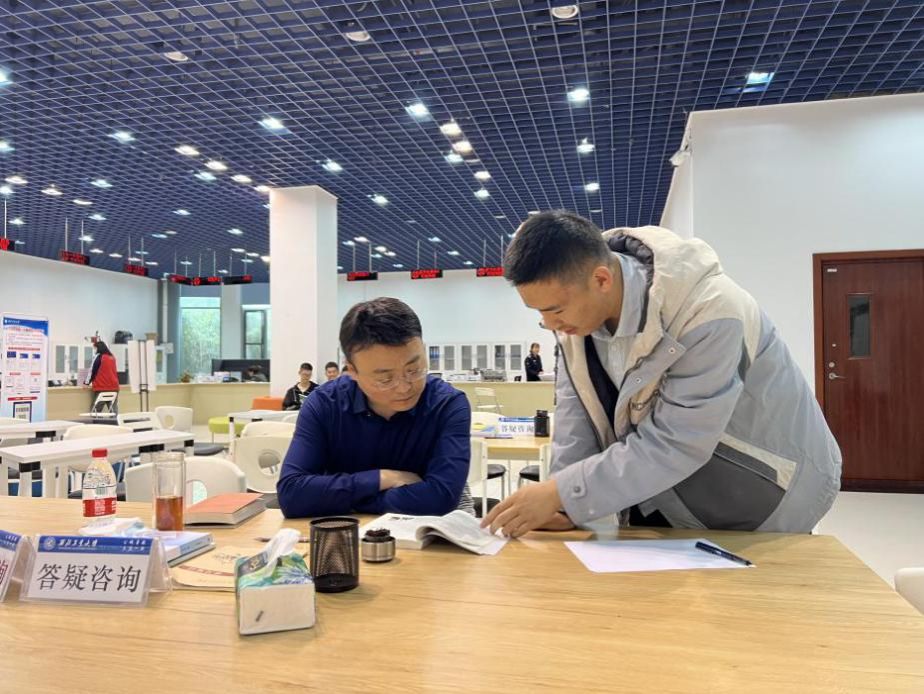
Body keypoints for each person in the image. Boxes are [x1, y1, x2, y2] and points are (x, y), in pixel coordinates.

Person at [484, 211, 841, 537]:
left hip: (764, 491)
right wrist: (564, 505)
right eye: (539, 313)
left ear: (602, 279)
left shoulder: (711, 311)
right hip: (665, 493)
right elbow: (575, 422)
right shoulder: (574, 326)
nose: (549, 324)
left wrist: (563, 493)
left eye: (555, 310)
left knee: (755, 587)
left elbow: (678, 441)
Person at [277, 298, 473, 518]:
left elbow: (440, 499)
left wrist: (348, 498)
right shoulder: (324, 405)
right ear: (352, 371)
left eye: (414, 370)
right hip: (347, 531)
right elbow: (292, 494)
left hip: (427, 531)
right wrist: (383, 478)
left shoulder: (447, 405)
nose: (404, 387)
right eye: (385, 379)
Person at [84, 340, 120, 414]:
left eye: (95, 348)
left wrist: (86, 383)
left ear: (98, 348)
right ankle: (116, 421)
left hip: (102, 387)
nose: (94, 350)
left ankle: (95, 422)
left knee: (95, 411)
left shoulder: (99, 357)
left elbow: (92, 371)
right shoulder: (112, 357)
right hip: (114, 387)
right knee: (114, 411)